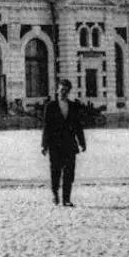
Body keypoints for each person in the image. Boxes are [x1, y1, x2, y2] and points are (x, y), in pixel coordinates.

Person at [41, 79, 86, 207]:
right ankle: (55, 194)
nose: (63, 92)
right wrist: (44, 145)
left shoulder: (73, 106)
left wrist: (82, 143)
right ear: (57, 90)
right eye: (61, 90)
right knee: (55, 171)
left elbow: (78, 126)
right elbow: (47, 127)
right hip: (55, 145)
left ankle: (66, 198)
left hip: (70, 145)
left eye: (66, 90)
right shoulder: (50, 106)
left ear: (69, 92)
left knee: (69, 173)